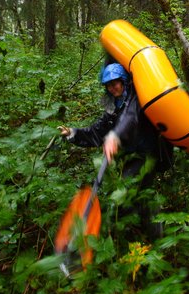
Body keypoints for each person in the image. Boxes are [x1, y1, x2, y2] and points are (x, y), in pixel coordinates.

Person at [59, 62, 173, 239]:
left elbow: (131, 119)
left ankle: (146, 235)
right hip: (129, 156)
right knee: (140, 194)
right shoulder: (114, 106)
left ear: (124, 81)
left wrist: (115, 136)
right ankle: (147, 232)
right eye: (109, 85)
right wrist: (74, 133)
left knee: (129, 193)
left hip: (146, 154)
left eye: (115, 83)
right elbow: (97, 132)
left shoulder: (136, 99)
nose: (112, 88)